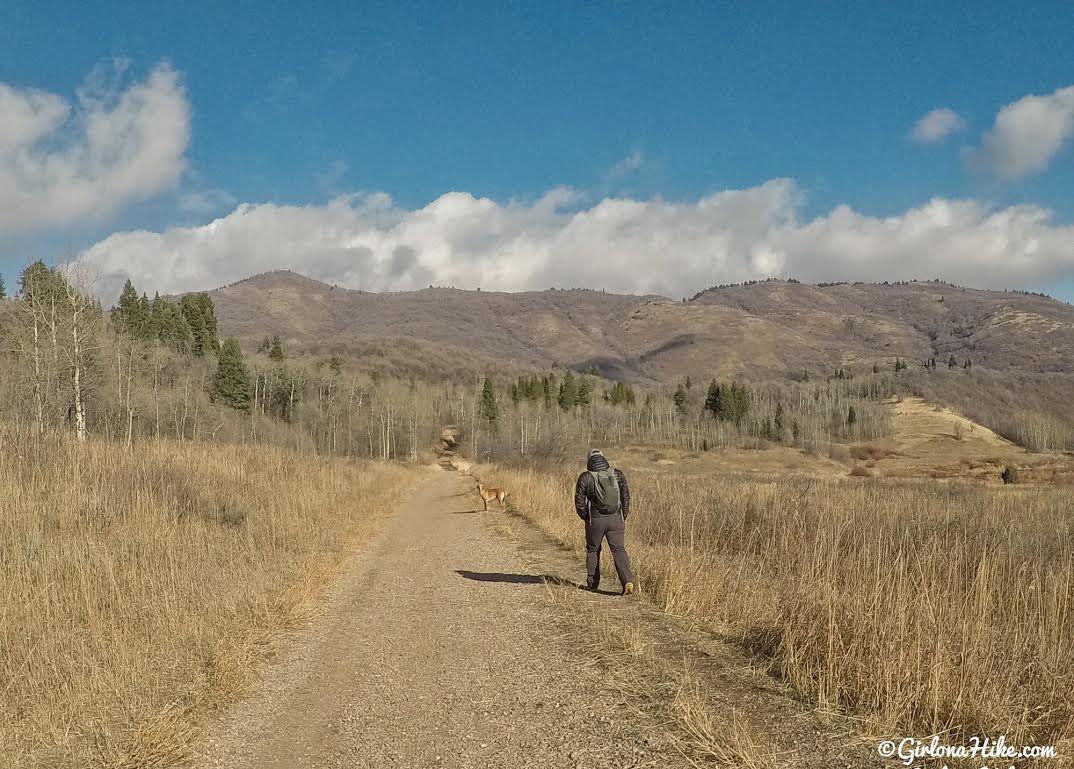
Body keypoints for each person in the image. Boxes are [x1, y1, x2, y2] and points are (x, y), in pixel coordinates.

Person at [574, 449, 636, 595]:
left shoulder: (585, 477)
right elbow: (626, 497)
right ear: (604, 460)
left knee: (593, 550)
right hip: (616, 519)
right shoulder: (617, 474)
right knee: (619, 550)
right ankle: (628, 581)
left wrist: (586, 517)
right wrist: (622, 516)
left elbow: (579, 501)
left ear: (589, 461)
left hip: (595, 520)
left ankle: (592, 584)